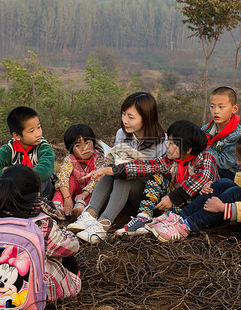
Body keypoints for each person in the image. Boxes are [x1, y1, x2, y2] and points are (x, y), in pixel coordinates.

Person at [0, 164, 81, 308]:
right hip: (30, 292)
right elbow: (69, 247)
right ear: (38, 195)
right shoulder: (42, 224)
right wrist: (68, 234)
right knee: (65, 253)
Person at [89, 120, 219, 237]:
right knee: (156, 176)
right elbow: (146, 166)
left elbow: (200, 179)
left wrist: (172, 198)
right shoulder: (170, 159)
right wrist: (111, 170)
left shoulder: (205, 157)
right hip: (170, 202)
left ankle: (161, 223)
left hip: (191, 207)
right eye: (168, 141)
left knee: (176, 196)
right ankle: (143, 217)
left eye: (173, 143)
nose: (167, 146)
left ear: (189, 149)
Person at [67, 92, 167, 243]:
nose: (125, 120)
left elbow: (159, 172)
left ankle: (103, 226)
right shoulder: (122, 133)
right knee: (114, 172)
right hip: (122, 198)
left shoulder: (162, 141)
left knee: (122, 175)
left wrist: (122, 169)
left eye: (131, 117)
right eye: (123, 114)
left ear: (146, 118)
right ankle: (90, 214)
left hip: (148, 202)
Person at [0, 106, 55, 198]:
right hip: (14, 187)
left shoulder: (44, 147)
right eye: (32, 131)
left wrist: (23, 180)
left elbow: (46, 168)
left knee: (41, 180)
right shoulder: (10, 148)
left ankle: (24, 204)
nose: (38, 133)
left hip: (40, 188)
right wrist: (4, 181)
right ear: (17, 135)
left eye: (39, 127)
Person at [52, 124, 110, 219]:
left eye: (87, 143)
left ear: (93, 141)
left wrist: (85, 193)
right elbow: (62, 177)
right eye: (78, 145)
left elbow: (96, 181)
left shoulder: (100, 159)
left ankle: (82, 209)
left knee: (102, 183)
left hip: (91, 195)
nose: (84, 149)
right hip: (72, 196)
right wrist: (67, 198)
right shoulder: (70, 159)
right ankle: (57, 205)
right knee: (68, 180)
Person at [202, 86, 241, 180]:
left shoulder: (238, 135)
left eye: (221, 107)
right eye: (212, 106)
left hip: (230, 176)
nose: (216, 111)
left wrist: (202, 148)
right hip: (210, 168)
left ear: (234, 108)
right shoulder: (206, 129)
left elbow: (224, 163)